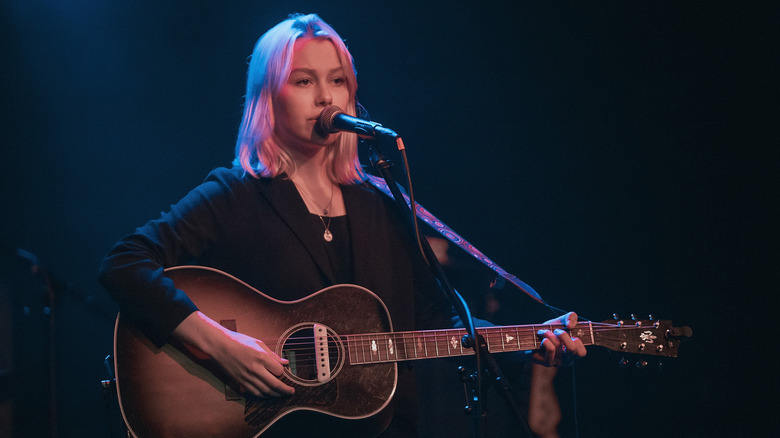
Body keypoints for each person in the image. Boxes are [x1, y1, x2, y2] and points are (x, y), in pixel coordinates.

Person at [98, 13, 585, 437]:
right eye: (303, 81)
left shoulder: (380, 201)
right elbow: (124, 264)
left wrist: (527, 343)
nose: (325, 97)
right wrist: (221, 346)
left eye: (337, 81)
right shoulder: (235, 195)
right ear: (268, 96)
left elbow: (437, 318)